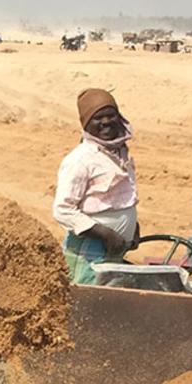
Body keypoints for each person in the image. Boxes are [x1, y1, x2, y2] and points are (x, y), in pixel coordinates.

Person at [52, 88, 139, 285]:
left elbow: (120, 197)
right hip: (89, 253)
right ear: (86, 124)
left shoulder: (120, 154)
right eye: (98, 118)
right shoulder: (80, 160)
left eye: (111, 115)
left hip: (114, 250)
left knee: (107, 304)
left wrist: (133, 227)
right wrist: (105, 234)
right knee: (87, 304)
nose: (106, 122)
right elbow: (62, 210)